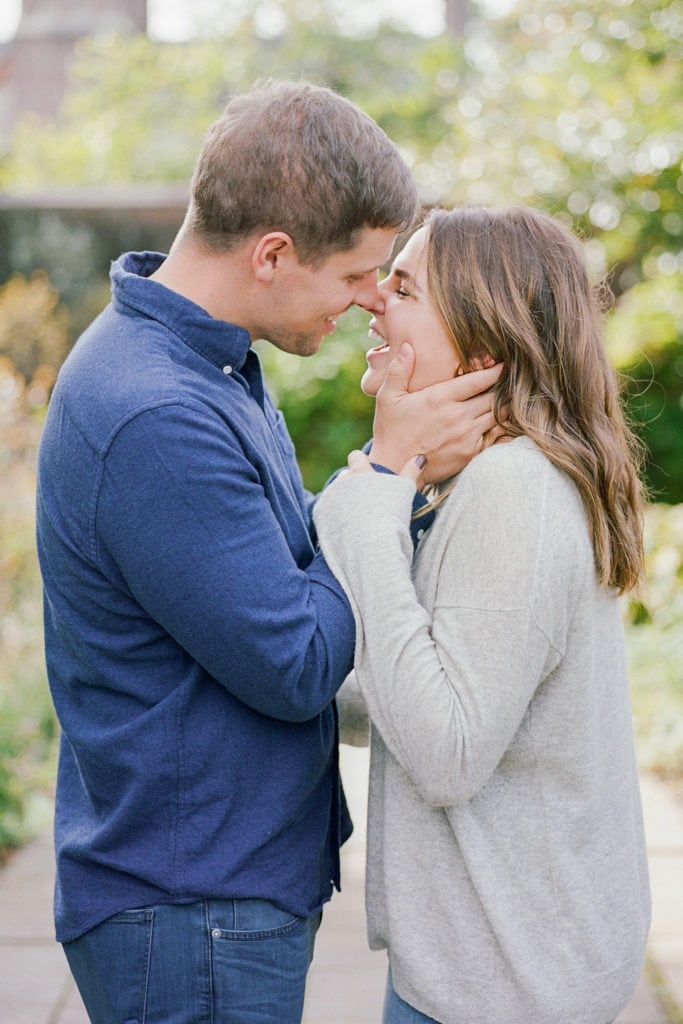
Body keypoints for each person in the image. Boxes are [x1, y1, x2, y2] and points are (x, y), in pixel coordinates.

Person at [35, 80, 501, 1024]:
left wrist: (369, 494)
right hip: (190, 905)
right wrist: (383, 472)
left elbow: (282, 568)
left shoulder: (203, 362)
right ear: (273, 253)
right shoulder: (158, 411)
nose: (374, 300)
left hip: (203, 892)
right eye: (358, 274)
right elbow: (295, 661)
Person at [313, 205, 651, 1024]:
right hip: (492, 967)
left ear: (481, 348)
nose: (373, 302)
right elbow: (416, 689)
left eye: (403, 287)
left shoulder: (515, 493)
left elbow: (447, 750)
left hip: (504, 986)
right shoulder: (480, 483)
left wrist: (368, 497)